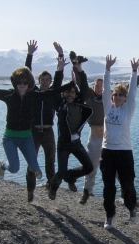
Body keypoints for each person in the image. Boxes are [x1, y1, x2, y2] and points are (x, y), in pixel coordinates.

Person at [0, 61, 75, 183]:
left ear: (29, 83)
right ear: (14, 82)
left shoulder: (33, 96)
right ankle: (3, 165)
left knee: (35, 168)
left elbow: (53, 91)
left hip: (27, 138)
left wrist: (71, 83)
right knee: (14, 169)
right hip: (10, 138)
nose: (22, 84)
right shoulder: (8, 95)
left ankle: (45, 183)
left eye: (25, 82)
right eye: (19, 82)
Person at [71, 62, 139, 204]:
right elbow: (81, 82)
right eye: (97, 86)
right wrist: (76, 68)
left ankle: (126, 193)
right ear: (93, 87)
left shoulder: (112, 102)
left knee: (119, 172)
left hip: (110, 143)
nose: (100, 88)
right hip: (95, 139)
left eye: (102, 86)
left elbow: (130, 91)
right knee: (91, 168)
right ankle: (87, 191)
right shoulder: (89, 96)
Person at [101, 55, 139, 229]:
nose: (117, 97)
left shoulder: (128, 109)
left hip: (124, 151)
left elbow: (133, 91)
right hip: (107, 151)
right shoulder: (108, 107)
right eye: (115, 94)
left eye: (120, 95)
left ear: (125, 98)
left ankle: (131, 207)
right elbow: (105, 89)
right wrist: (107, 69)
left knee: (127, 185)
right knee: (108, 186)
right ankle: (109, 216)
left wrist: (134, 72)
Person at [24, 40, 67, 202]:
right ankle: (30, 190)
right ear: (38, 81)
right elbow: (26, 74)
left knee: (50, 163)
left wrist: (61, 55)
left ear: (50, 82)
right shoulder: (32, 92)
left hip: (48, 132)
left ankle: (52, 187)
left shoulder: (53, 93)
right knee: (31, 163)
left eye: (47, 80)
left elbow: (59, 77)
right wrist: (30, 54)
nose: (45, 82)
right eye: (42, 79)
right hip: (33, 132)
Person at [48, 60, 94, 200]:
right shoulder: (60, 105)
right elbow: (55, 87)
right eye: (67, 91)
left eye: (73, 92)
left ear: (76, 94)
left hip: (77, 144)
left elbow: (84, 86)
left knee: (88, 167)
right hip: (64, 144)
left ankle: (71, 177)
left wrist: (79, 70)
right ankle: (53, 187)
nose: (70, 94)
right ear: (63, 94)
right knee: (61, 172)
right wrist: (59, 70)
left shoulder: (79, 103)